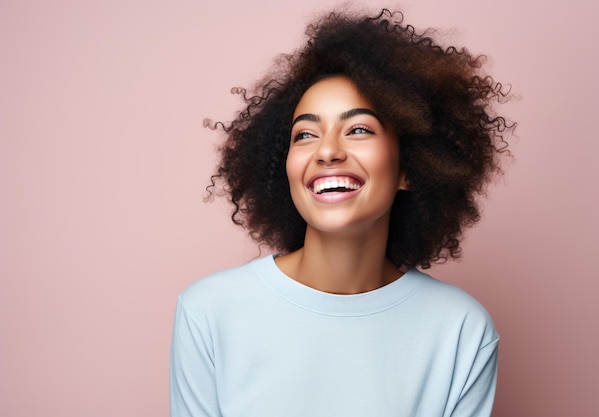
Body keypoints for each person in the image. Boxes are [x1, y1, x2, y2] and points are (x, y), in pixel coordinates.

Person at [170, 8, 513, 417]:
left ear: (410, 167)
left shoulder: (461, 330)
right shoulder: (210, 311)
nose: (328, 151)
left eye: (359, 129)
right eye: (306, 135)